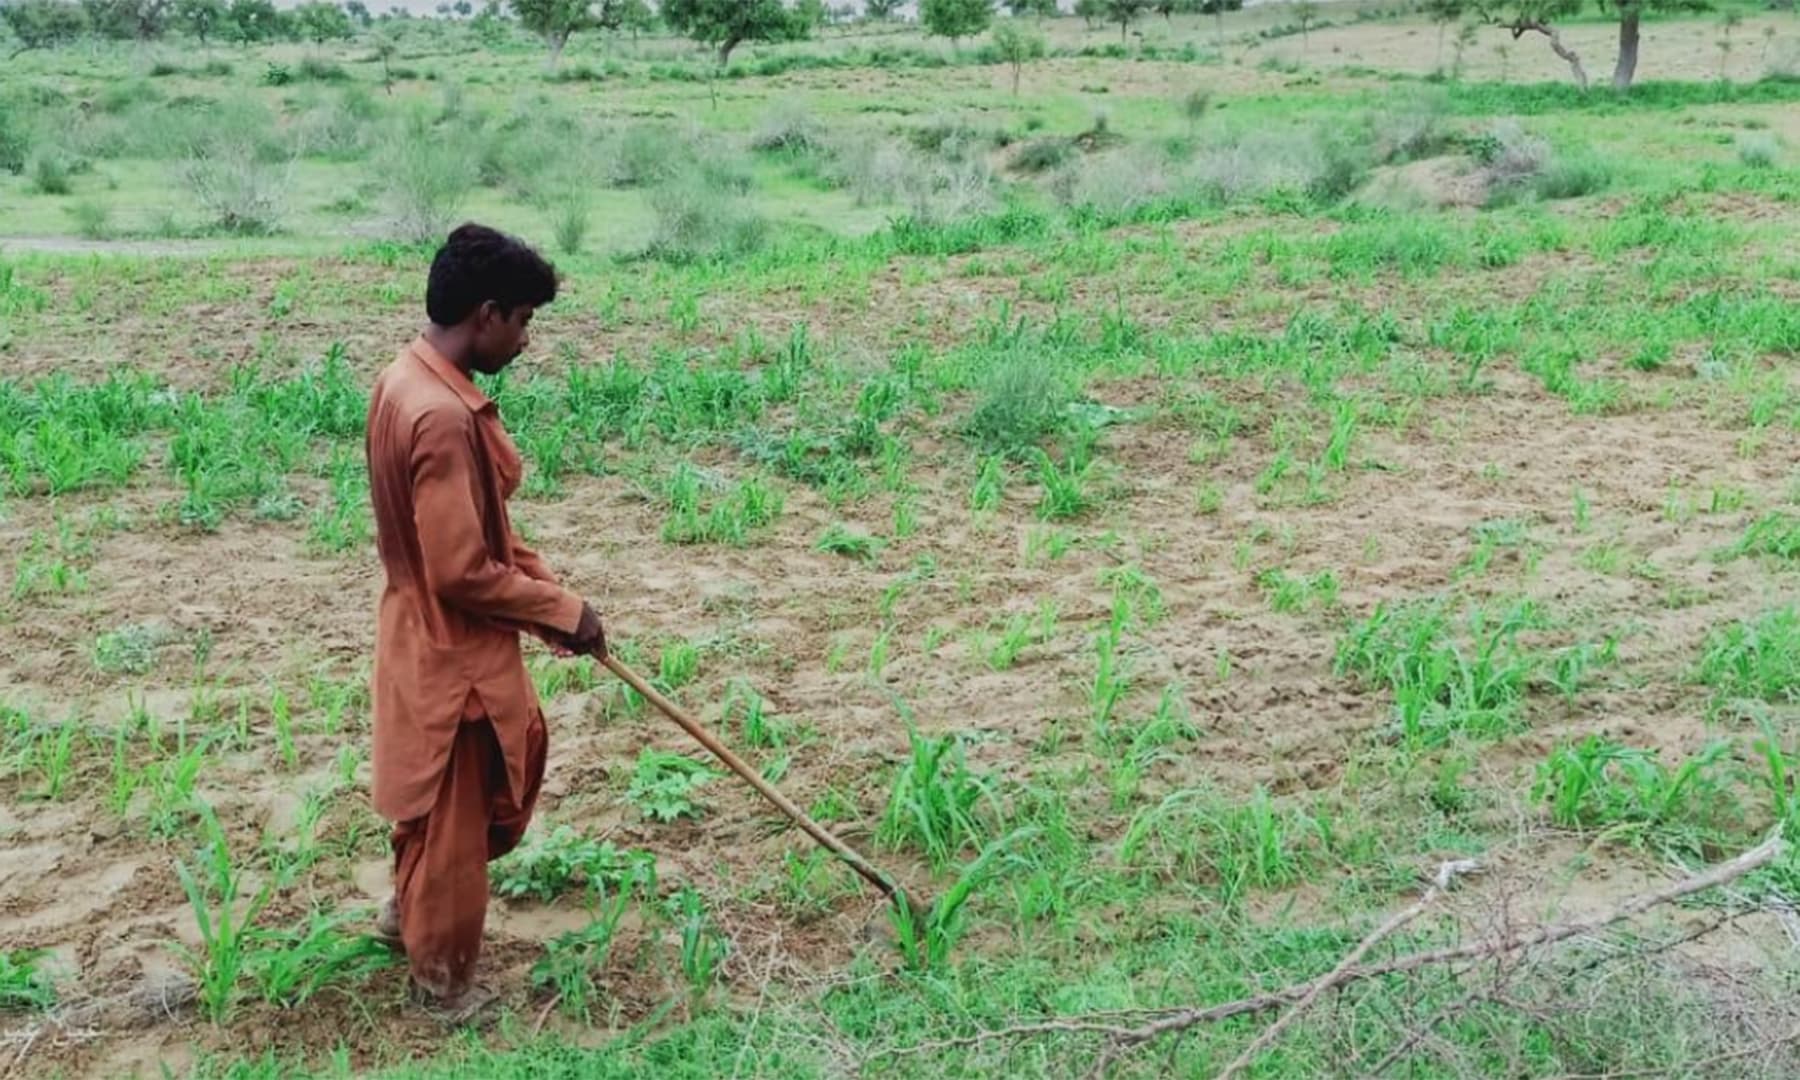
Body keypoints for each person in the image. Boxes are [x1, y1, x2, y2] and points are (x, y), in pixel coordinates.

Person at [364, 223, 605, 1022]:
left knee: (434, 806)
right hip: (453, 651)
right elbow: (461, 570)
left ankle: (409, 918)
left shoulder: (405, 376)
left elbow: (481, 533)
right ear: (488, 313)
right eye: (525, 320)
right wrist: (561, 612)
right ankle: (444, 985)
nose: (527, 341)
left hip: (416, 628)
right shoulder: (441, 416)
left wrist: (549, 595)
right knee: (458, 815)